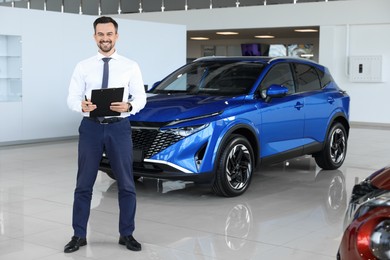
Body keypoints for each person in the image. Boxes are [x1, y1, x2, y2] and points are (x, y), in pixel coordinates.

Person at [65, 16, 147, 253]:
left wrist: (129, 107)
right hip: (91, 127)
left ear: (116, 36)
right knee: (83, 184)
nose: (105, 38)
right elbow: (71, 97)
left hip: (119, 128)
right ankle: (78, 235)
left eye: (109, 34)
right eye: (100, 34)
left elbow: (140, 97)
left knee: (126, 183)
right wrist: (81, 106)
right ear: (94, 37)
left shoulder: (130, 66)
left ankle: (127, 234)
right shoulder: (83, 66)